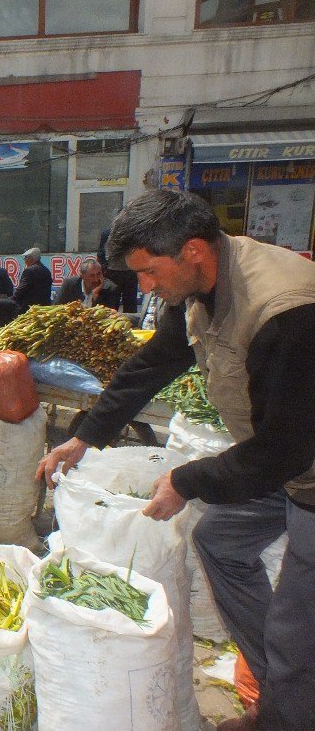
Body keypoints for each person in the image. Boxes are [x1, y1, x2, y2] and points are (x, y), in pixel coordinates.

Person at [36, 190, 315, 731]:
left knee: (293, 626)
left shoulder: (284, 311)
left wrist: (187, 480)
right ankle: (290, 695)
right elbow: (153, 363)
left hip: (306, 476)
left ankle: (289, 707)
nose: (142, 287)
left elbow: (284, 449)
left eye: (146, 272)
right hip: (282, 462)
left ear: (192, 250)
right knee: (219, 542)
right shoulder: (198, 290)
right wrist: (87, 437)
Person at [99, 226, 140, 312]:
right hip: (113, 272)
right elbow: (101, 252)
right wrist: (105, 267)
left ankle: (130, 324)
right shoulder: (108, 233)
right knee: (111, 303)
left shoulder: (133, 233)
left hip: (130, 272)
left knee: (130, 303)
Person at [54, 259, 120, 309]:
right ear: (82, 276)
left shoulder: (111, 288)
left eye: (99, 274)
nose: (96, 279)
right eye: (92, 276)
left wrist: (95, 295)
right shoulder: (69, 284)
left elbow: (110, 315)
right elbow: (57, 306)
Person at [11, 247, 52, 314]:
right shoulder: (46, 270)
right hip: (44, 307)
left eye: (25, 258)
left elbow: (21, 290)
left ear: (31, 259)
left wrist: (11, 299)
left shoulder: (29, 271)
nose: (24, 260)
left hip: (29, 308)